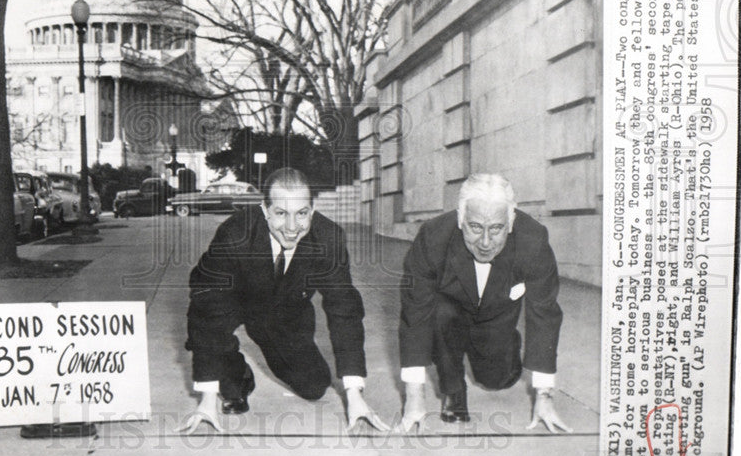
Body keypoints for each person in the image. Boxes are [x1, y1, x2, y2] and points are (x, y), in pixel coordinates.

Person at [179, 168, 388, 434]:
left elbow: (344, 309)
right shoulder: (234, 235)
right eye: (281, 213)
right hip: (235, 300)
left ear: (312, 211)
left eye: (301, 214)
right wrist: (207, 399)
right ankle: (237, 374)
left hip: (283, 311)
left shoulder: (328, 238)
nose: (291, 228)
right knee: (222, 369)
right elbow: (208, 310)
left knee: (314, 386)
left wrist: (355, 393)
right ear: (265, 210)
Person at [398, 173, 569, 433]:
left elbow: (544, 314)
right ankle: (453, 391)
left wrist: (544, 397)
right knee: (440, 314)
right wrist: (414, 397)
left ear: (511, 222)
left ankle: (504, 347)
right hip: (450, 310)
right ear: (460, 219)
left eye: (496, 228)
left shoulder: (533, 241)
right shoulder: (432, 237)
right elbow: (415, 313)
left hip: (496, 314)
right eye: (476, 227)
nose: (486, 242)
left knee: (496, 380)